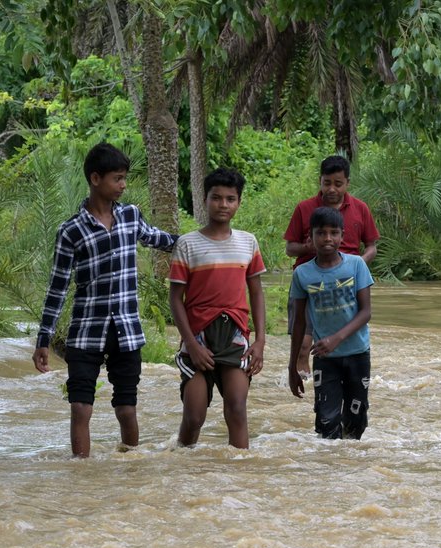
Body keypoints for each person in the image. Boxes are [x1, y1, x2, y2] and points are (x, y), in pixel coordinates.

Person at [32, 142, 177, 458]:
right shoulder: (70, 231)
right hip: (86, 333)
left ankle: (130, 470)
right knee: (81, 408)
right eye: (118, 178)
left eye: (125, 178)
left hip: (127, 331)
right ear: (95, 179)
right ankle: (81, 475)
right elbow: (57, 288)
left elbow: (158, 239)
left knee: (127, 408)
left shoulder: (130, 216)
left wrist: (199, 242)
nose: (124, 185)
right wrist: (43, 338)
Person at [169, 167, 267, 449]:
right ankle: (183, 465)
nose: (223, 205)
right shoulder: (187, 244)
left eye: (230, 199)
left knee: (236, 409)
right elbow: (176, 299)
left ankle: (239, 472)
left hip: (235, 335)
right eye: (216, 198)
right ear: (204, 199)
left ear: (238, 202)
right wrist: (191, 344)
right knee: (194, 415)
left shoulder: (248, 242)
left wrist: (260, 341)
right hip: (198, 336)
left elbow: (256, 292)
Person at [283, 155, 379, 377]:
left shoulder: (360, 208)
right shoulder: (304, 208)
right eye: (327, 183)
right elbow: (290, 248)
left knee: (350, 336)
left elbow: (372, 246)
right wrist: (310, 247)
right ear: (320, 181)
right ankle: (305, 378)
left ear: (347, 183)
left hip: (349, 282)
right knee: (304, 344)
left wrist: (357, 267)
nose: (332, 189)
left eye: (338, 183)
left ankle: (343, 377)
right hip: (311, 281)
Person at [287, 207, 373, 440]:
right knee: (326, 421)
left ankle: (349, 471)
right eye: (321, 233)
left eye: (333, 233)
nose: (327, 239)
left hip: (357, 354)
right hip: (325, 360)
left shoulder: (356, 265)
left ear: (342, 236)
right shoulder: (302, 274)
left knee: (356, 422)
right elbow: (298, 323)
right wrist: (293, 366)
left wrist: (336, 339)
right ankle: (327, 470)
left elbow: (366, 312)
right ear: (310, 238)